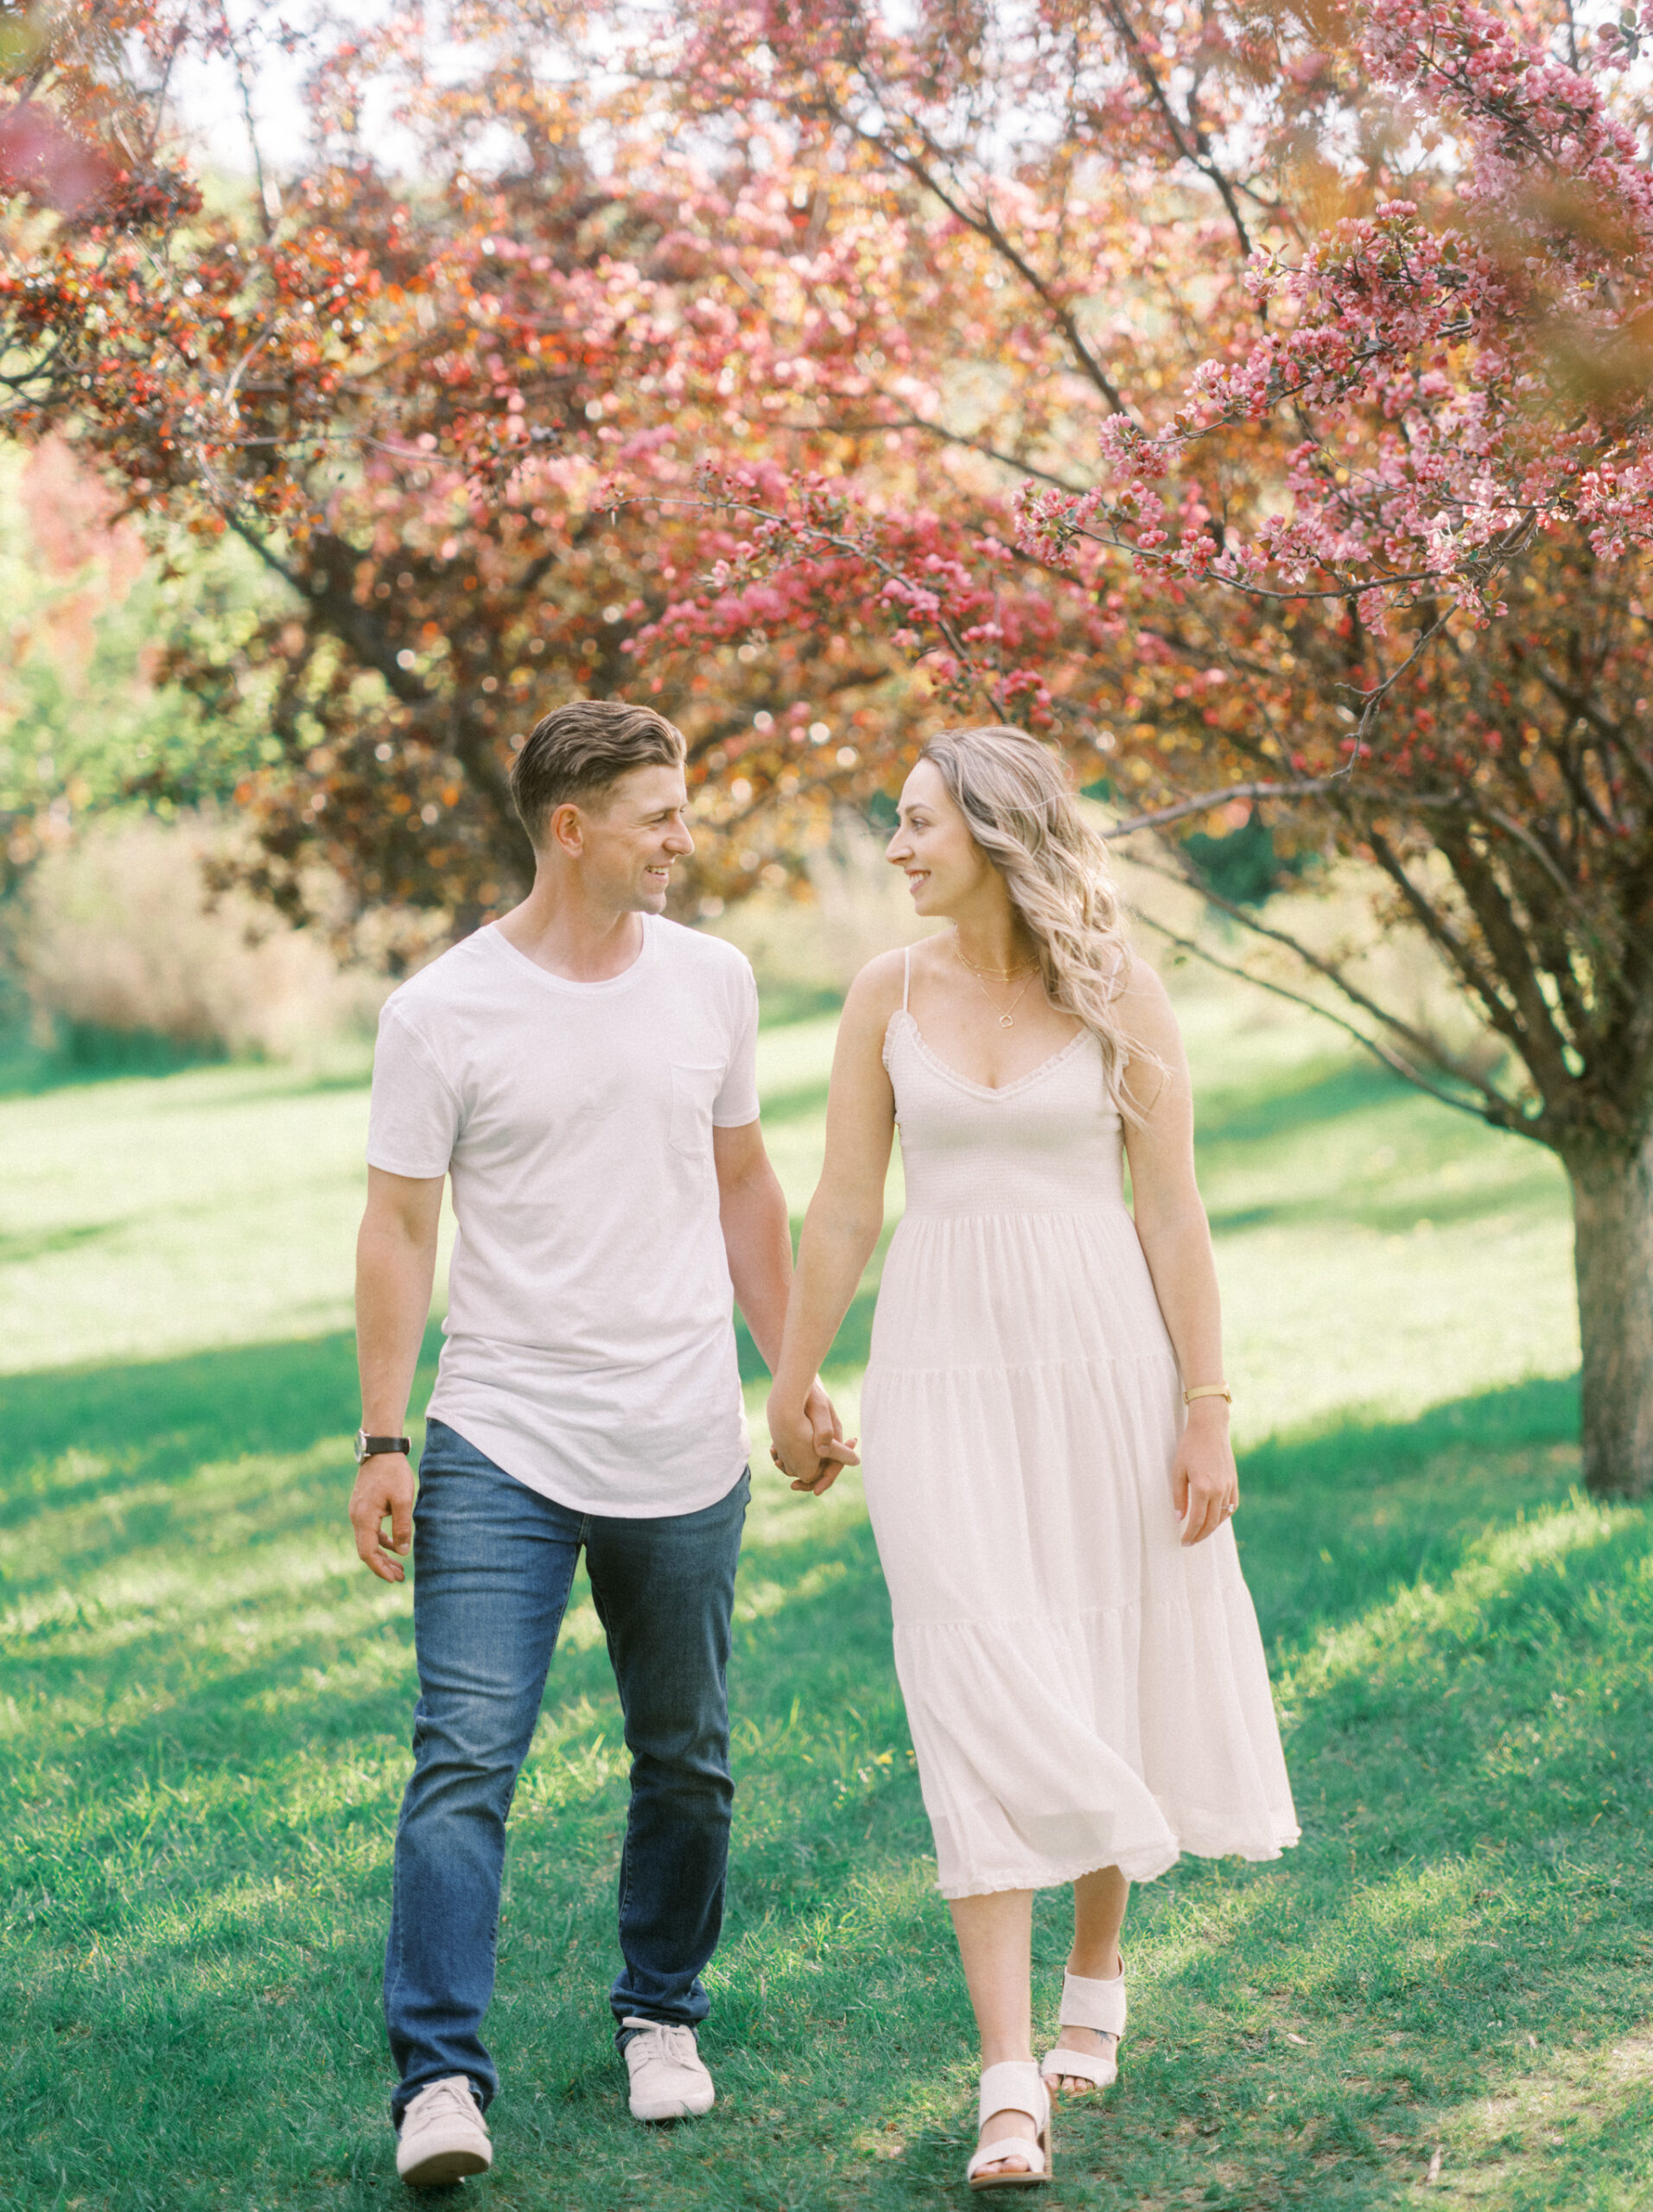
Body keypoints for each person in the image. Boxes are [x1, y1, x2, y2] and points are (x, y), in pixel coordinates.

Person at [767, 725, 1298, 2190]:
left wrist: (1208, 1401)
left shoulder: (1121, 988)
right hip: (940, 1376)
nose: (894, 850)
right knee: (972, 1673)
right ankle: (1010, 2081)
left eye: (918, 822)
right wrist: (795, 1379)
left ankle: (1096, 1979)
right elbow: (841, 1209)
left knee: (1100, 1653)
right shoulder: (885, 993)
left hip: (1104, 1369)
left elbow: (1173, 1213)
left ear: (998, 832)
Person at [349, 698, 849, 2190]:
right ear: (573, 830)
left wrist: (796, 1370)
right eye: (658, 816)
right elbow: (396, 1226)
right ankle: (439, 2080)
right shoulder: (441, 1010)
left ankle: (661, 2013)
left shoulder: (714, 982)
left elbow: (748, 1182)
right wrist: (386, 1439)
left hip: (682, 1431)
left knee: (687, 1758)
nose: (684, 839)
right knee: (463, 1760)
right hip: (499, 1430)